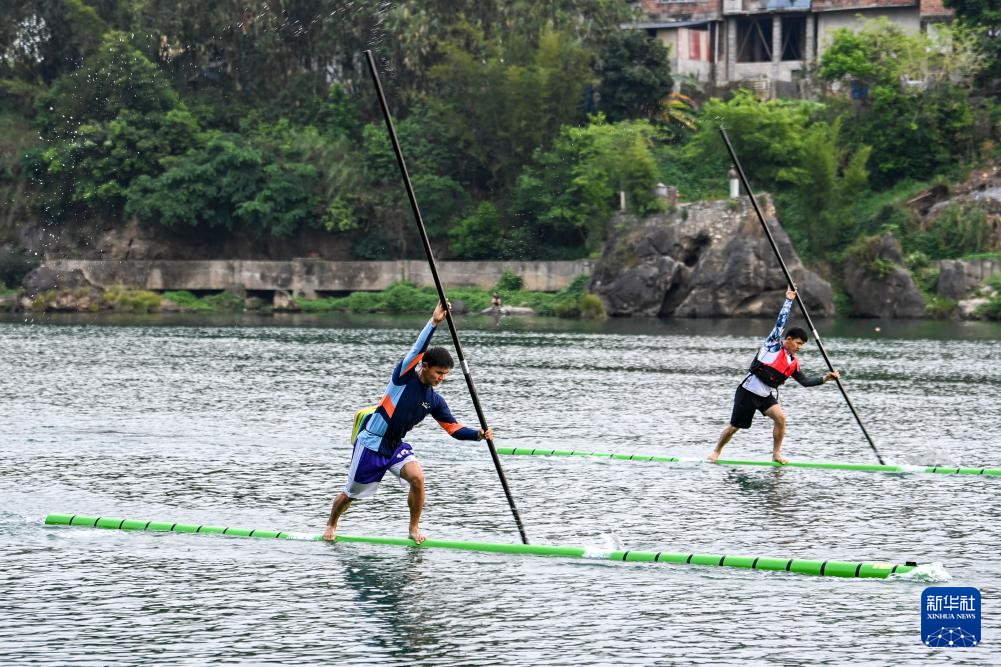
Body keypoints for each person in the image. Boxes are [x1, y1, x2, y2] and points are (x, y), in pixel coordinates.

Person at [323, 302, 492, 544]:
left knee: (417, 478)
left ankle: (413, 528)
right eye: (438, 373)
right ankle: (331, 523)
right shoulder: (403, 378)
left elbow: (453, 429)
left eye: (445, 375)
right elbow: (417, 349)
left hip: (395, 446)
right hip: (371, 444)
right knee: (350, 495)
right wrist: (434, 322)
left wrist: (478, 434)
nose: (441, 379)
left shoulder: (435, 401)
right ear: (425, 366)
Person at [708, 289, 839, 465]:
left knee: (781, 419)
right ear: (788, 339)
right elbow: (780, 323)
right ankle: (716, 451)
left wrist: (825, 378)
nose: (799, 347)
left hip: (765, 396)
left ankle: (776, 454)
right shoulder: (772, 346)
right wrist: (788, 301)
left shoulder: (793, 362)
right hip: (747, 392)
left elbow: (805, 382)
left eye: (802, 345)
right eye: (798, 343)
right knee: (734, 427)